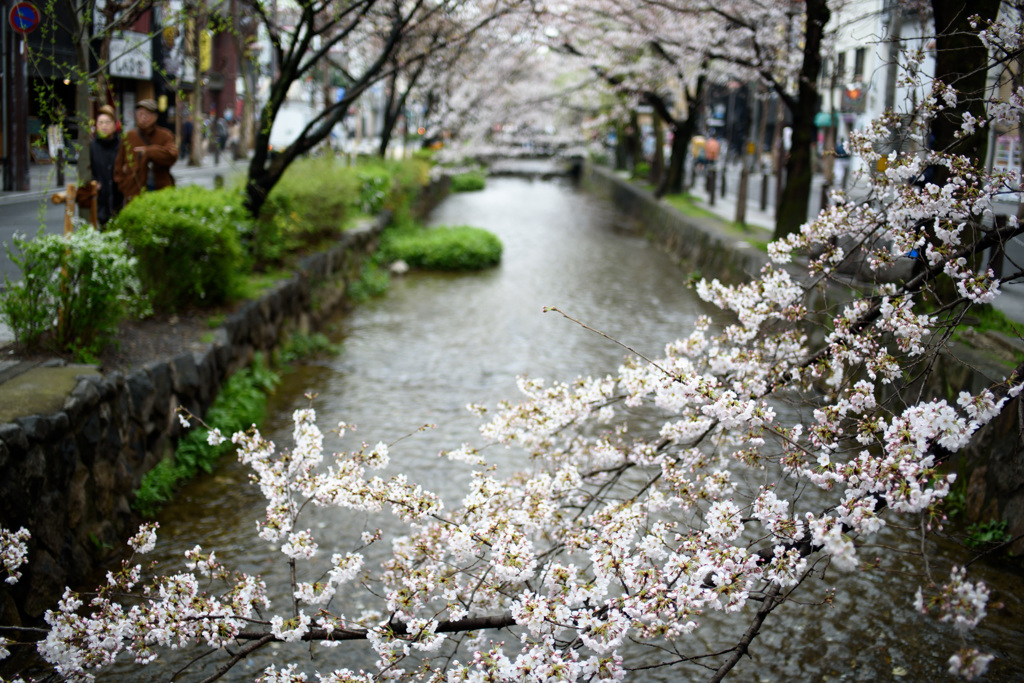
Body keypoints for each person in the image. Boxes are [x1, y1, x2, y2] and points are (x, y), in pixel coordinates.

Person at [114, 99, 179, 203]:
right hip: (134, 192)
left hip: (161, 191)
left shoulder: (165, 135)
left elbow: (172, 156)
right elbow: (118, 166)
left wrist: (148, 151)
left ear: (155, 117)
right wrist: (124, 186)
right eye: (140, 114)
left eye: (147, 114)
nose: (143, 118)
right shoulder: (129, 137)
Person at [88, 105, 124, 226]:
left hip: (119, 195)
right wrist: (93, 181)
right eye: (101, 122)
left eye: (108, 122)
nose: (104, 126)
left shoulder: (121, 145)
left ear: (115, 125)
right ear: (96, 126)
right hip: (101, 196)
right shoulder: (92, 147)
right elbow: (88, 169)